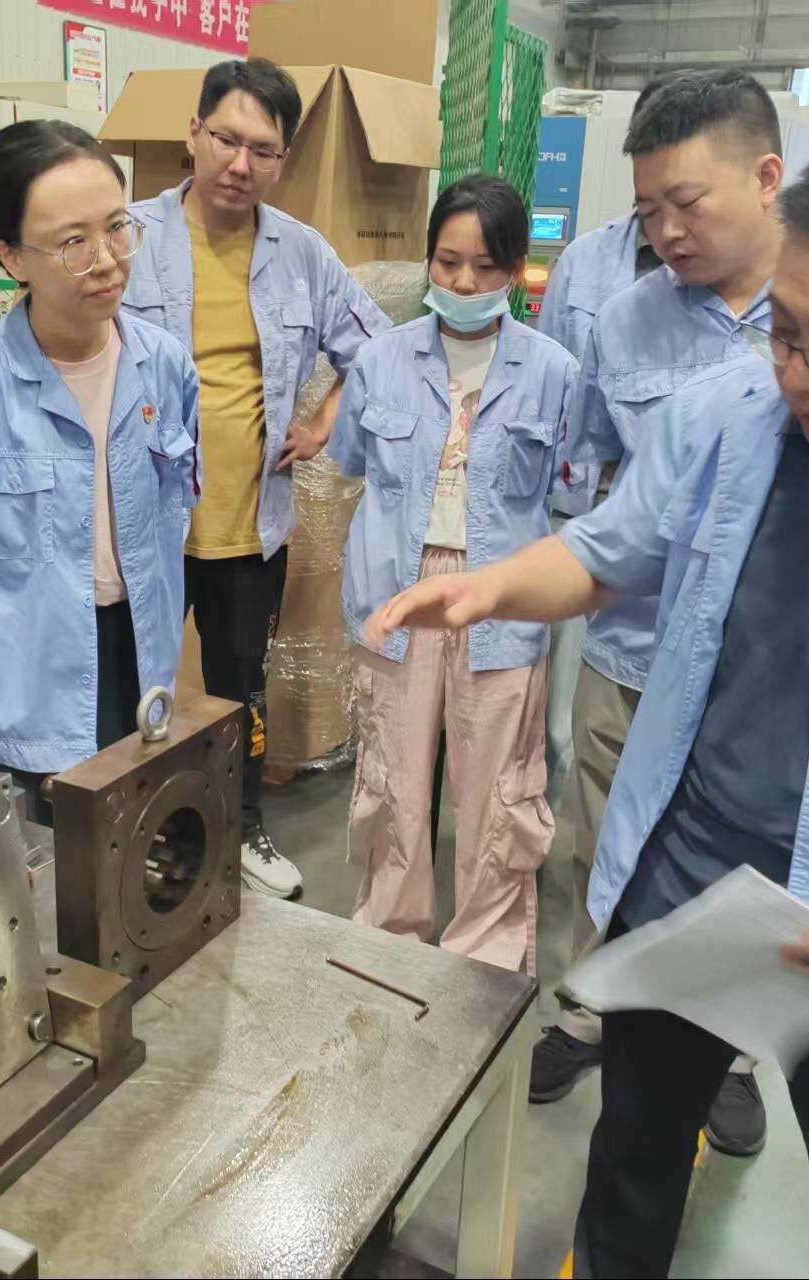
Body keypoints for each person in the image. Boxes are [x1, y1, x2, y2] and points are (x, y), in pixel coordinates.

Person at [371, 125, 809, 1279]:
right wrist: (493, 584)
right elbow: (608, 551)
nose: (800, 374)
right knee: (632, 1157)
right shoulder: (733, 411)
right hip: (686, 894)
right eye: (786, 331)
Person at [530, 69, 789, 1159]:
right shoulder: (627, 320)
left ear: (766, 177)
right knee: (602, 847)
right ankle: (592, 1009)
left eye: (687, 203)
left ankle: (727, 1053)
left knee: (742, 876)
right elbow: (594, 473)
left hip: (760, 681)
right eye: (647, 211)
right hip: (632, 650)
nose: (666, 231)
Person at [122, 58, 391, 899]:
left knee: (241, 692)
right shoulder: (128, 237)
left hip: (249, 526)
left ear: (282, 160)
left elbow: (377, 349)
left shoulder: (302, 254)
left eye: (263, 150)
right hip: (141, 524)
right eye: (226, 139)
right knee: (135, 687)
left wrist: (325, 422)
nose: (240, 164)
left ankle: (241, 829)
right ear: (193, 134)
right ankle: (143, 838)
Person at [0, 120, 200, 820]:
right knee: (35, 865)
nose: (107, 261)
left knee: (133, 851)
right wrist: (24, 610)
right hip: (23, 684)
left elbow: (175, 506)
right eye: (73, 243)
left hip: (138, 656)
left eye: (117, 228)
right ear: (10, 256)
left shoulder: (164, 364)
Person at [329, 175, 578, 971]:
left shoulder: (553, 372)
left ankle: (486, 960)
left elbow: (567, 492)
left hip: (504, 598)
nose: (465, 283)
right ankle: (390, 941)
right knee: (393, 778)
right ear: (428, 260)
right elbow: (352, 461)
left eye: (485, 266)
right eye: (448, 262)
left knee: (498, 790)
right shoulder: (380, 361)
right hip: (398, 594)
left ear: (515, 268)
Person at [534, 75, 675, 811]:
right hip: (578, 520)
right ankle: (547, 835)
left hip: (661, 564)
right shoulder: (585, 263)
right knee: (561, 728)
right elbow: (553, 395)